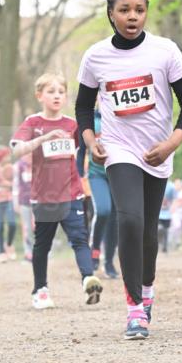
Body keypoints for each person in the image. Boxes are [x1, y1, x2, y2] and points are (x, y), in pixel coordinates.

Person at [75, 0, 182, 340]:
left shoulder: (165, 51)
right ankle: (134, 311)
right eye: (125, 10)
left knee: (146, 232)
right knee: (128, 221)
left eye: (139, 10)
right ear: (111, 14)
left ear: (146, 12)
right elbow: (84, 107)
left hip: (157, 151)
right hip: (118, 149)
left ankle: (147, 291)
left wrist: (172, 143)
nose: (133, 17)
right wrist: (91, 139)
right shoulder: (96, 56)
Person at [10, 72, 103, 311]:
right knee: (43, 245)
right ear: (39, 95)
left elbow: (89, 144)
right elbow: (16, 151)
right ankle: (40, 290)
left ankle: (88, 279)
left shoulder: (73, 125)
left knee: (80, 240)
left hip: (72, 193)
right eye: (51, 92)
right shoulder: (33, 122)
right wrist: (44, 139)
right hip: (45, 198)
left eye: (61, 92)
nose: (56, 96)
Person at [77, 108, 119, 278]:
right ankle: (94, 250)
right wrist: (78, 176)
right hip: (97, 175)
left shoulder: (121, 117)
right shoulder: (89, 121)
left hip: (118, 173)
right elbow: (81, 151)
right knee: (103, 210)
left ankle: (109, 262)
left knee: (116, 218)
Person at [16, 155, 34, 261]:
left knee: (38, 226)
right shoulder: (19, 165)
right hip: (24, 201)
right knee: (26, 227)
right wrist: (16, 202)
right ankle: (28, 252)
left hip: (38, 200)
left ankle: (42, 251)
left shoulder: (39, 161)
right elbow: (16, 184)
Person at [158, 180, 176, 253]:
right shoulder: (155, 182)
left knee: (165, 230)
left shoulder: (171, 186)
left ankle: (165, 246)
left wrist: (173, 207)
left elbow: (175, 198)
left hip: (167, 213)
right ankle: (158, 243)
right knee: (159, 228)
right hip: (158, 213)